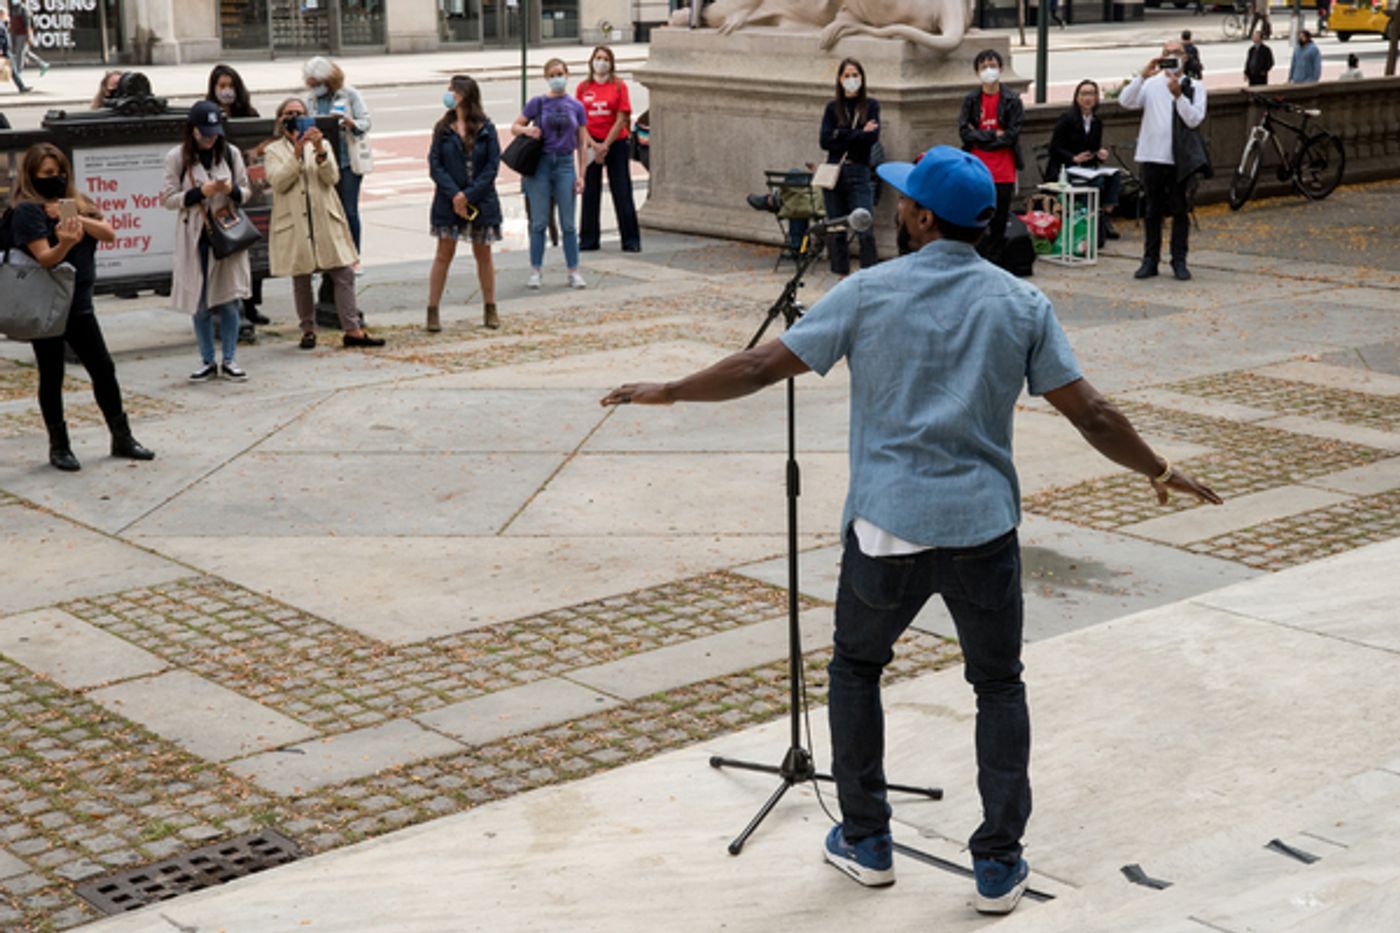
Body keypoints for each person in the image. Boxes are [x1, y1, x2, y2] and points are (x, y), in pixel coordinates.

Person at [598, 144, 1221, 917]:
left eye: (905, 200)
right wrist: (1159, 471)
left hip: (887, 527)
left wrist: (666, 390)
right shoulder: (1021, 304)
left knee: (857, 670)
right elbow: (1092, 412)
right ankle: (997, 861)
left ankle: (868, 840)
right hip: (982, 530)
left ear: (924, 217)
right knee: (998, 684)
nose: (897, 208)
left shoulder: (869, 291)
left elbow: (761, 368)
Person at [3, 143, 155, 471]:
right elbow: (45, 258)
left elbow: (109, 233)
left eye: (59, 173)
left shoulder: (76, 203)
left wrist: (77, 220)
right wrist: (66, 242)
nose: (55, 179)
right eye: (46, 174)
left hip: (80, 303)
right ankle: (59, 446)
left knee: (103, 369)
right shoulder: (27, 211)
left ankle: (122, 436)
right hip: (46, 306)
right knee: (52, 374)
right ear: (32, 175)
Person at [265, 98, 385, 351]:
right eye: (289, 114)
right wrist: (296, 155)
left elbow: (332, 177)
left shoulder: (323, 144)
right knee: (302, 278)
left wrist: (319, 149)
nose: (294, 117)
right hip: (295, 221)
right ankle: (308, 329)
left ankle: (352, 330)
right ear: (280, 119)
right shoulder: (273, 151)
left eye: (299, 113)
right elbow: (278, 183)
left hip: (324, 218)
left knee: (343, 273)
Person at [161, 101, 252, 381]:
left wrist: (231, 189)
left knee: (229, 299)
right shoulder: (177, 157)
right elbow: (168, 199)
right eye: (204, 133)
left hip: (226, 234)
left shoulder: (230, 153)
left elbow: (247, 191)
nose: (210, 138)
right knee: (199, 302)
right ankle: (207, 359)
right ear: (193, 131)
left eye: (214, 132)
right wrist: (200, 192)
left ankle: (230, 358)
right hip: (195, 235)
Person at [1118, 38, 1209, 281]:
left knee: (1180, 211)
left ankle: (1179, 260)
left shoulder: (1194, 86)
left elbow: (1194, 120)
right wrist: (1142, 75)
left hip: (1179, 159)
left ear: (1185, 56)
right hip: (1152, 155)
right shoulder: (1150, 84)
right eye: (1167, 52)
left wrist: (1179, 96)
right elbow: (1125, 101)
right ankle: (1150, 260)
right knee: (1152, 211)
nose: (1172, 56)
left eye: (1176, 52)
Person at [427, 75, 502, 332]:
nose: (448, 95)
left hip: (480, 200)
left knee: (483, 253)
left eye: (452, 91)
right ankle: (432, 310)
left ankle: (490, 307)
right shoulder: (442, 128)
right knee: (443, 253)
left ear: (464, 95)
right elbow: (435, 165)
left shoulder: (485, 127)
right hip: (448, 201)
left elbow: (492, 166)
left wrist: (469, 195)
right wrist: (454, 194)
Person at [512, 58, 588, 290]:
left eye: (560, 74)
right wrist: (528, 130)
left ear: (567, 75)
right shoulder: (538, 103)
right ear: (546, 77)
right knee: (539, 222)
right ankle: (536, 270)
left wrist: (581, 174)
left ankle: (573, 270)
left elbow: (582, 143)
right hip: (541, 165)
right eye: (553, 75)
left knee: (569, 224)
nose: (557, 79)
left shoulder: (576, 106)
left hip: (565, 163)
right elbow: (515, 126)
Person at [958, 49, 1023, 263]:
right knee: (976, 215)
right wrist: (992, 134)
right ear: (977, 72)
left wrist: (983, 139)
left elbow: (1012, 134)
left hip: (1003, 167)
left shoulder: (1012, 99)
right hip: (977, 165)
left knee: (1000, 217)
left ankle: (995, 259)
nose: (989, 70)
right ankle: (976, 258)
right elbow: (965, 132)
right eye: (984, 67)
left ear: (1001, 69)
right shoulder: (971, 99)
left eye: (992, 66)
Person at [818, 57, 881, 276]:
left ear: (862, 78)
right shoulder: (832, 108)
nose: (851, 79)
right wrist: (857, 133)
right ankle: (840, 276)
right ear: (839, 79)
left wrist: (841, 134)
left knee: (865, 227)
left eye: (855, 75)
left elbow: (871, 139)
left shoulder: (871, 106)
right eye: (847, 75)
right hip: (834, 172)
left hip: (859, 171)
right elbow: (825, 141)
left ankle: (869, 276)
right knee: (836, 229)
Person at [576, 45, 642, 254]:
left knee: (622, 190)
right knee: (590, 192)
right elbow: (580, 121)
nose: (601, 62)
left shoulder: (619, 86)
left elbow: (623, 117)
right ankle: (588, 239)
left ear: (611, 63)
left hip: (616, 143)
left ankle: (631, 240)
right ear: (591, 61)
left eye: (605, 58)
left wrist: (606, 144)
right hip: (591, 143)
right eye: (598, 58)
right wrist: (593, 144)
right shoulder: (583, 87)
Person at [304, 57, 371, 258]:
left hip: (347, 161)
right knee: (325, 211)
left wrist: (350, 124)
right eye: (312, 84)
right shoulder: (311, 100)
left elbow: (365, 121)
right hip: (323, 161)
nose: (316, 88)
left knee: (349, 210)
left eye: (319, 83)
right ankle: (331, 255)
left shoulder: (349, 94)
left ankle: (354, 256)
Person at [1045, 79, 1121, 243]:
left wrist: (1099, 153)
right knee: (1096, 182)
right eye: (1084, 93)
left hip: (1086, 167)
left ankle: (1104, 215)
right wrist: (1073, 157)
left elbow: (1093, 148)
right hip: (1067, 168)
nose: (1088, 98)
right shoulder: (1067, 119)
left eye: (1092, 94)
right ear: (1077, 97)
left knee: (1114, 176)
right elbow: (1054, 148)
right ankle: (1089, 219)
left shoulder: (1096, 122)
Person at [8, 4, 45, 79]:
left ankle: (18, 72)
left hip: (23, 34)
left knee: (20, 52)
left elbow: (28, 24)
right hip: (18, 33)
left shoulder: (23, 9)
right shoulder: (14, 9)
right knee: (25, 52)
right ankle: (42, 64)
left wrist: (29, 35)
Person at [0, 7, 31, 95]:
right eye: (6, 14)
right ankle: (21, 87)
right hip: (4, 50)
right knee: (13, 70)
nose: (7, 16)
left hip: (6, 50)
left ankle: (21, 87)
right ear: (1, 14)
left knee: (13, 70)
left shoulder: (3, 24)